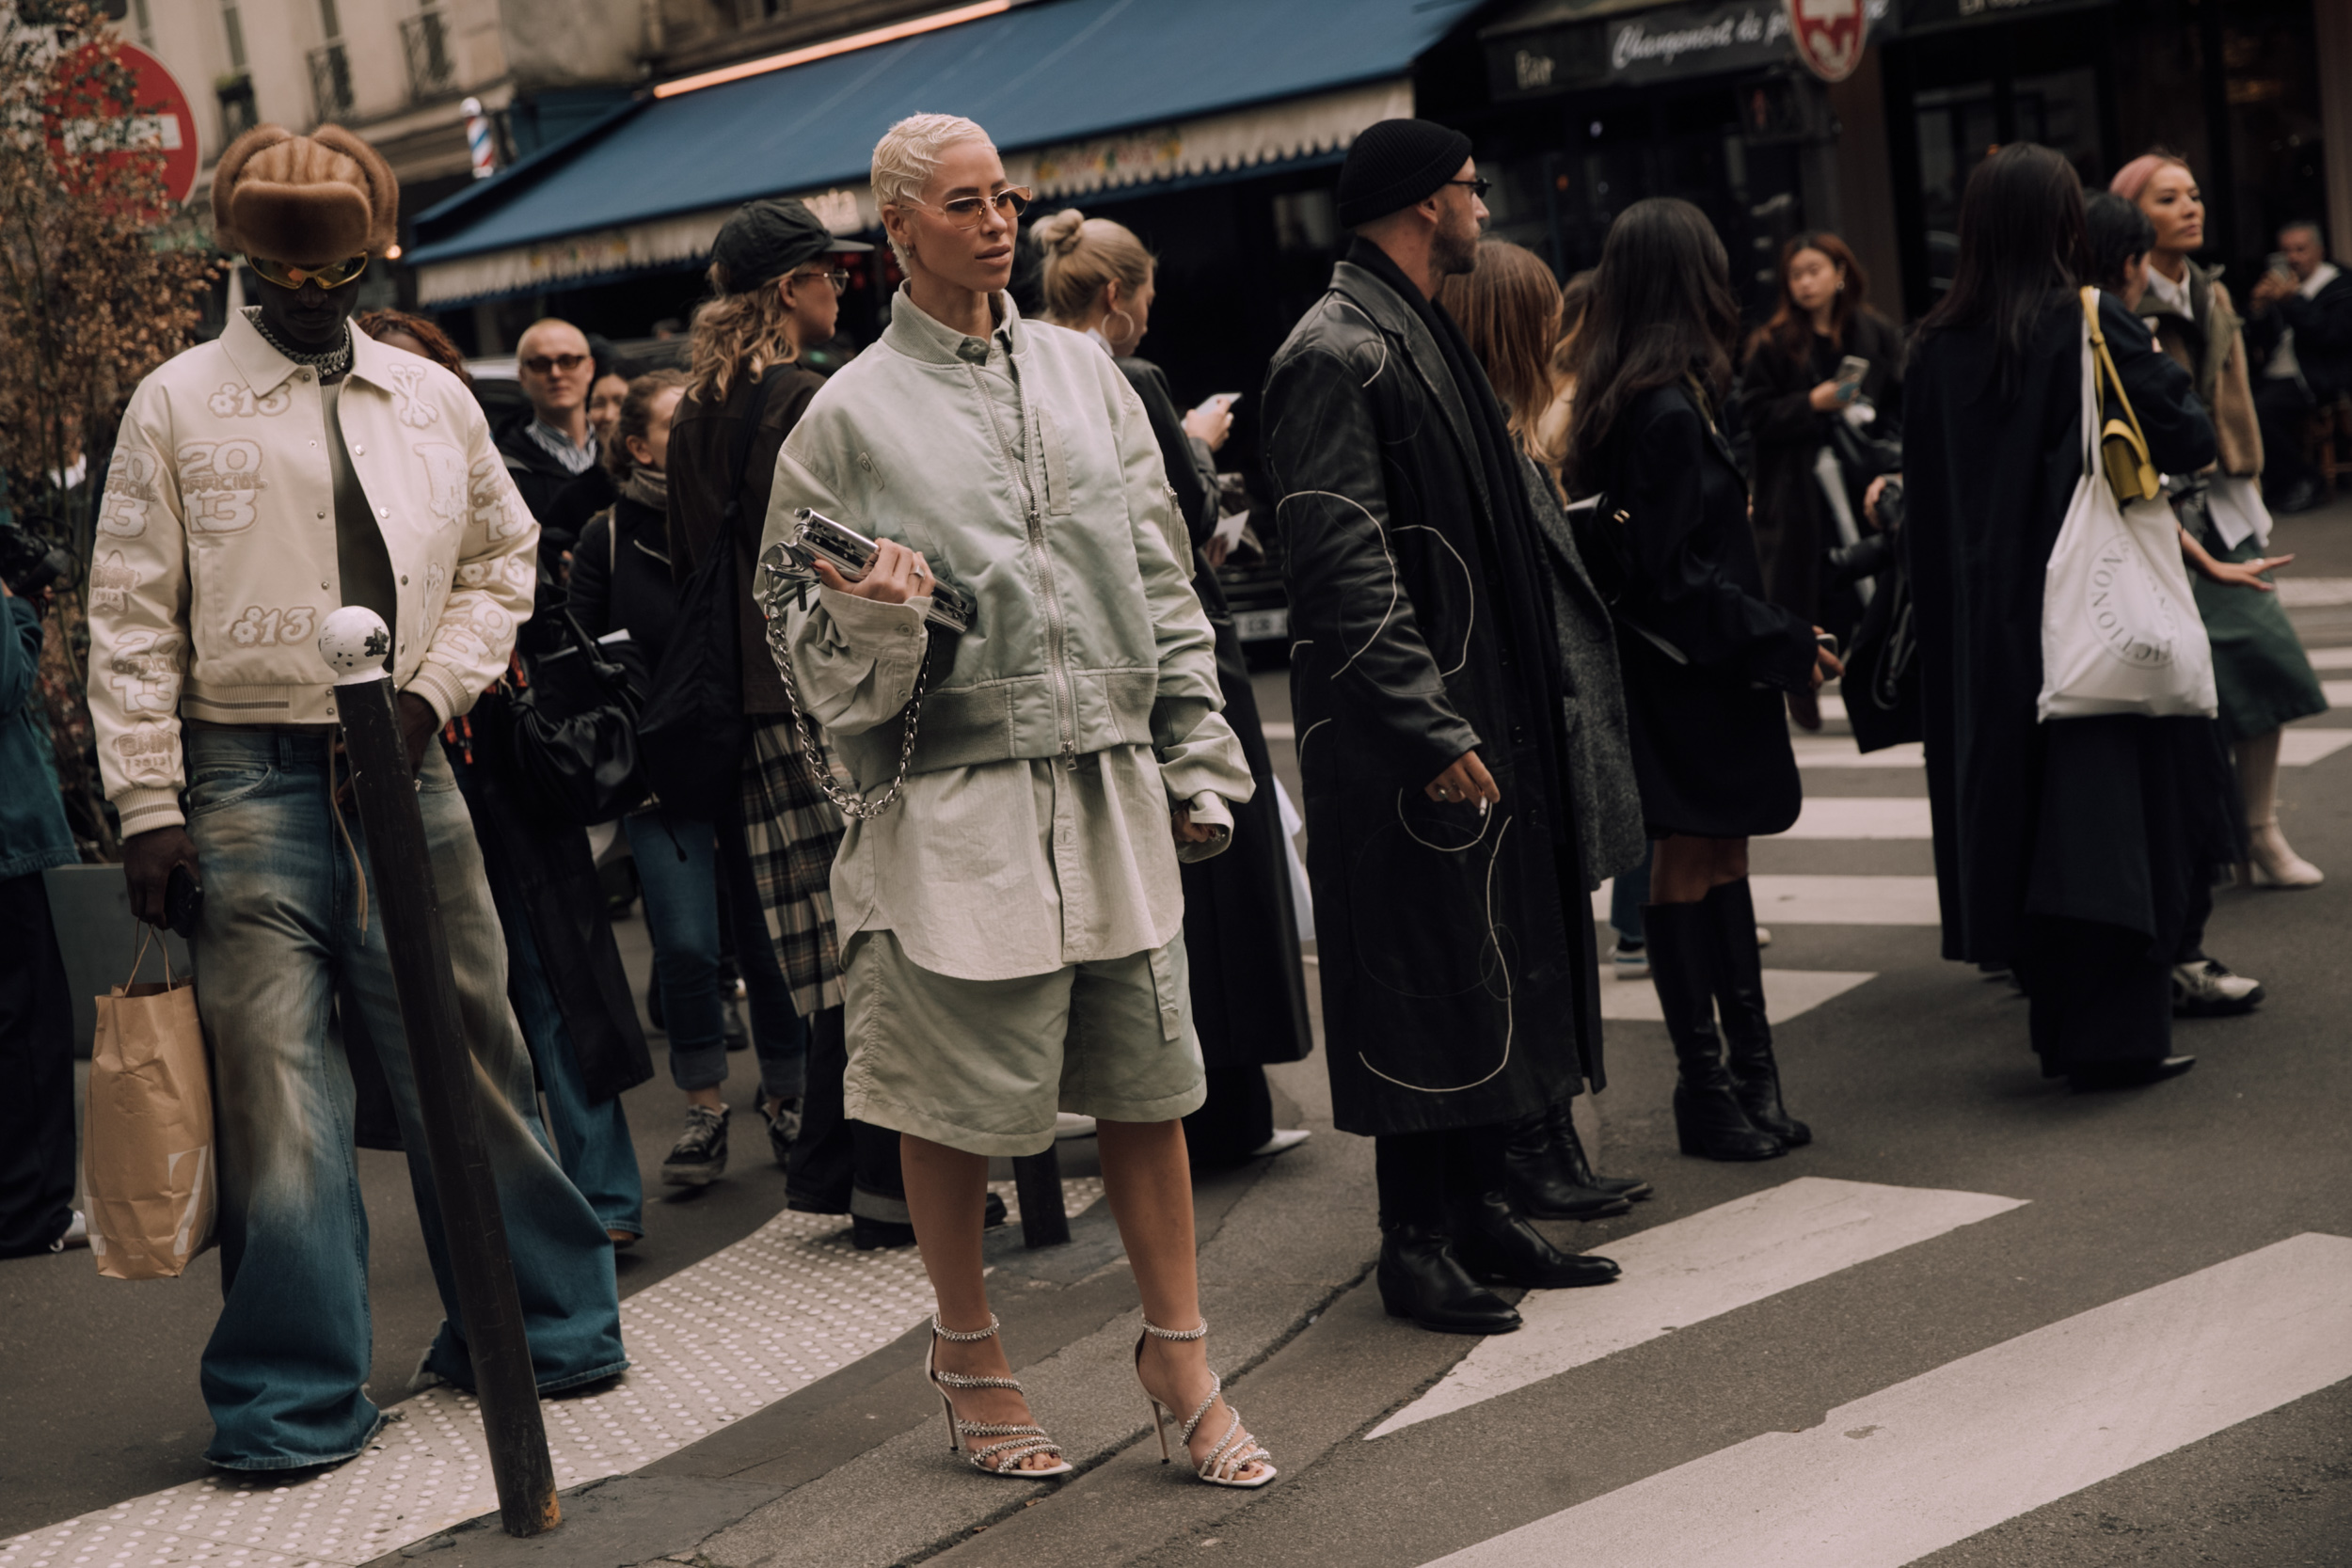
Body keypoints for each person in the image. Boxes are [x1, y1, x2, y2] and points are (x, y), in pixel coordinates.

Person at [89, 124, 625, 1469]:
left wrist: (430, 688)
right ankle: (290, 1397)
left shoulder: (432, 399)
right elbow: (130, 613)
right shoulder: (174, 401)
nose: (309, 295)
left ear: (370, 256)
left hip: (408, 757)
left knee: (477, 1052)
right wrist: (148, 800)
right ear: (241, 262)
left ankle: (546, 1326)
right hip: (240, 767)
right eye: (284, 272)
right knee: (280, 1099)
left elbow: (511, 554)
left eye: (333, 272)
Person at [764, 112, 1274, 1485]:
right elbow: (791, 641)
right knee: (956, 1102)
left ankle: (1181, 1349)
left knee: (1149, 1079)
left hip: (1107, 777)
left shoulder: (1086, 375)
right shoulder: (845, 416)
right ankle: (969, 1346)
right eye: (963, 201)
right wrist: (874, 617)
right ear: (900, 231)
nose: (995, 220)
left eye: (1005, 197)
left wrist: (1198, 748)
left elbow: (1161, 568)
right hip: (954, 799)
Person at [1263, 118, 1622, 1338]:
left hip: (1468, 715)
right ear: (1426, 204)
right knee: (1427, 977)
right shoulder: (1335, 350)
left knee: (1481, 967)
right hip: (1402, 745)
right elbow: (1342, 560)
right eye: (1474, 187)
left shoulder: (1405, 326)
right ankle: (1412, 1241)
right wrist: (1424, 721)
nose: (1486, 205)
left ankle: (1475, 1209)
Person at [1907, 144, 2226, 1089]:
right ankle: (2112, 1036)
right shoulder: (2083, 323)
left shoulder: (1931, 343)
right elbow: (2187, 434)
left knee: (2018, 812)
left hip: (1979, 624)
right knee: (2102, 817)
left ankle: (2055, 1018)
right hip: (2082, 611)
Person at [361, 313, 656, 1247]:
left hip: (509, 756)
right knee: (464, 1004)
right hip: (417, 764)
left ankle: (603, 1199)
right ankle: (522, 1212)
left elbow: (520, 594)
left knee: (556, 978)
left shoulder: (474, 469)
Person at [1032, 206, 1314, 1167]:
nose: (1151, 311)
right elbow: (1187, 516)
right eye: (1146, 292)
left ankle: (1155, 1097)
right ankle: (1229, 1105)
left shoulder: (1021, 368)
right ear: (1116, 293)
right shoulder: (1132, 378)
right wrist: (1194, 436)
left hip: (1088, 659)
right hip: (1178, 642)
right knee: (1217, 874)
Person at [1560, 198, 1838, 1164]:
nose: (1728, 284)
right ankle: (1710, 1086)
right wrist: (1782, 634)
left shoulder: (1652, 391)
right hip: (1692, 675)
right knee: (1694, 863)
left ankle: (1743, 1079)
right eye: (1713, 268)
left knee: (1721, 860)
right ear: (1688, 280)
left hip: (1699, 672)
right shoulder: (1664, 408)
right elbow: (1675, 575)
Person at [666, 198, 898, 1235]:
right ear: (786, 289)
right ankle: (884, 1177)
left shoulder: (692, 411)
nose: (841, 285)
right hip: (815, 699)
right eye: (825, 272)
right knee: (873, 937)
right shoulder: (809, 397)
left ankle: (830, 1167)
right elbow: (838, 557)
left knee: (816, 955)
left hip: (741, 711)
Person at [1435, 237, 1653, 1214]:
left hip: (1541, 724)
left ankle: (1550, 1139)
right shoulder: (1483, 439)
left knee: (1546, 945)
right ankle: (1538, 1147)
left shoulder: (1502, 433)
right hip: (1524, 731)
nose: (1552, 336)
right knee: (1531, 949)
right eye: (1539, 320)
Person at [567, 370, 814, 1185]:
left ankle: (789, 1098)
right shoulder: (606, 535)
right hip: (656, 767)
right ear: (638, 445)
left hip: (746, 748)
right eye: (679, 427)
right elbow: (580, 660)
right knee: (683, 942)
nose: (700, 439)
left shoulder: (734, 514)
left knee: (773, 938)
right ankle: (704, 1108)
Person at [2115, 152, 2329, 890]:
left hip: (2223, 505)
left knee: (2265, 660)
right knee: (2175, 689)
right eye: (2168, 198)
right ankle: (2205, 844)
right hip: (2149, 514)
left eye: (2195, 194)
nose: (2191, 207)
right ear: (2130, 215)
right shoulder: (2117, 301)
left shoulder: (2211, 292)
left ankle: (2261, 833)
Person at [2081, 193, 2267, 1019]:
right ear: (2127, 261)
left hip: (2065, 587)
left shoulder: (1983, 329)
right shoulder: (2106, 324)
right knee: (2184, 759)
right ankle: (2179, 953)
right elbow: (2185, 438)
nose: (2190, 209)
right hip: (2128, 578)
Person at [1737, 232, 1904, 729]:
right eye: (1796, 274)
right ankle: (1802, 681)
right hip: (1800, 492)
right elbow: (1755, 416)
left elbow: (1898, 401)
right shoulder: (1773, 343)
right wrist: (1813, 402)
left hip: (1864, 480)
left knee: (1871, 587)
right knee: (1802, 589)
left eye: (1815, 270)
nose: (1806, 283)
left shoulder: (1873, 332)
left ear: (1840, 273)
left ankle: (1875, 680)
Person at [0, 565, 83, 1259]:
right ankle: (32, 1212)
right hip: (4, 842)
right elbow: (3, 680)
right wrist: (20, 611)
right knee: (28, 1027)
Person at [2245, 220, 2352, 515]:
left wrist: (2294, 303)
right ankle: (2271, 484)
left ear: (2320, 251)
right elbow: (2258, 343)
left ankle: (2305, 479)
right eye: (2286, 250)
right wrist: (2258, 310)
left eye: (2300, 249)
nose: (2293, 257)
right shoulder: (2279, 285)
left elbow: (2330, 336)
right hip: (2275, 373)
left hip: (2318, 378)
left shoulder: (2342, 287)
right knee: (2236, 406)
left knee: (2261, 411)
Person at [497, 316, 599, 556]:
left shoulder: (626, 449)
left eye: (567, 361)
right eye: (541, 364)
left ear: (590, 368)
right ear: (522, 377)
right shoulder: (503, 468)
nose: (556, 373)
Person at [544, 368, 628, 553]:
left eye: (620, 402)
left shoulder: (676, 483)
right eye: (598, 404)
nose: (608, 415)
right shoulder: (572, 497)